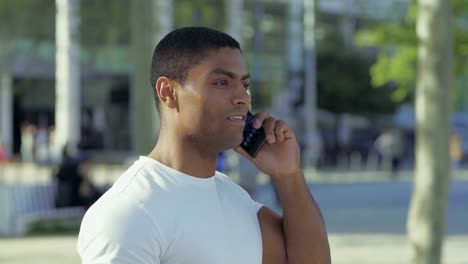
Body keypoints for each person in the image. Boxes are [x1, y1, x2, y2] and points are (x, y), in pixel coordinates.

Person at [77, 27, 331, 264]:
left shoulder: (233, 198)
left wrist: (288, 176)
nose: (242, 97)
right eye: (222, 82)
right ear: (168, 92)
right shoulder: (129, 213)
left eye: (245, 84)